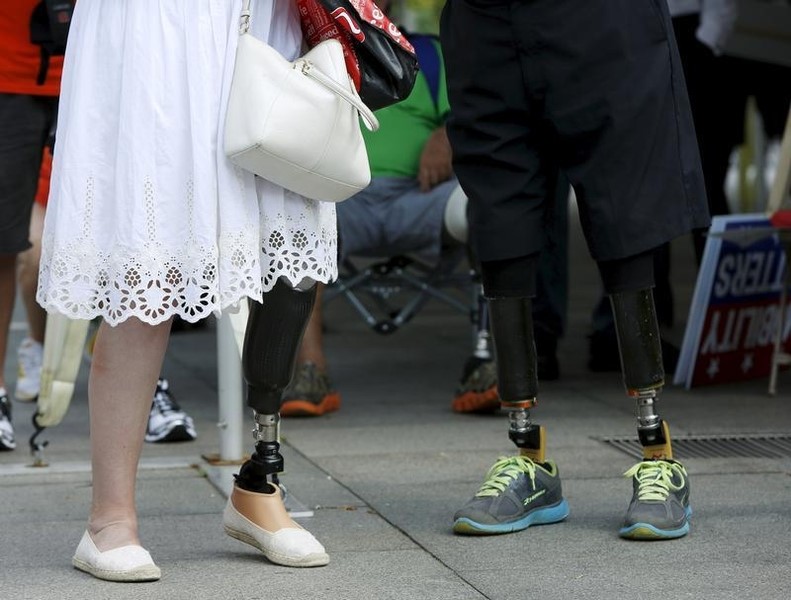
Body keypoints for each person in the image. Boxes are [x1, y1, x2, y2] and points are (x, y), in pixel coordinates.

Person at [37, 0, 334, 581]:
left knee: (286, 259)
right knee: (151, 266)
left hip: (260, 22)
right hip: (156, 31)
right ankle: (110, 519)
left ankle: (259, 485)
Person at [440, 0, 709, 539]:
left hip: (601, 17)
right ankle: (527, 456)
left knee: (626, 210)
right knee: (500, 218)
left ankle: (659, 456)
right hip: (484, 20)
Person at [281, 7, 570, 418]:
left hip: (421, 196)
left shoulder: (427, 54)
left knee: (491, 205)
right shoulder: (311, 52)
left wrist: (447, 133)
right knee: (296, 214)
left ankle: (487, 360)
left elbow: (478, 113)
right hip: (340, 198)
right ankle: (310, 372)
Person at [0, 1, 65, 452]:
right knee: (5, 243)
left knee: (136, 239)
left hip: (105, 64)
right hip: (6, 69)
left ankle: (149, 391)